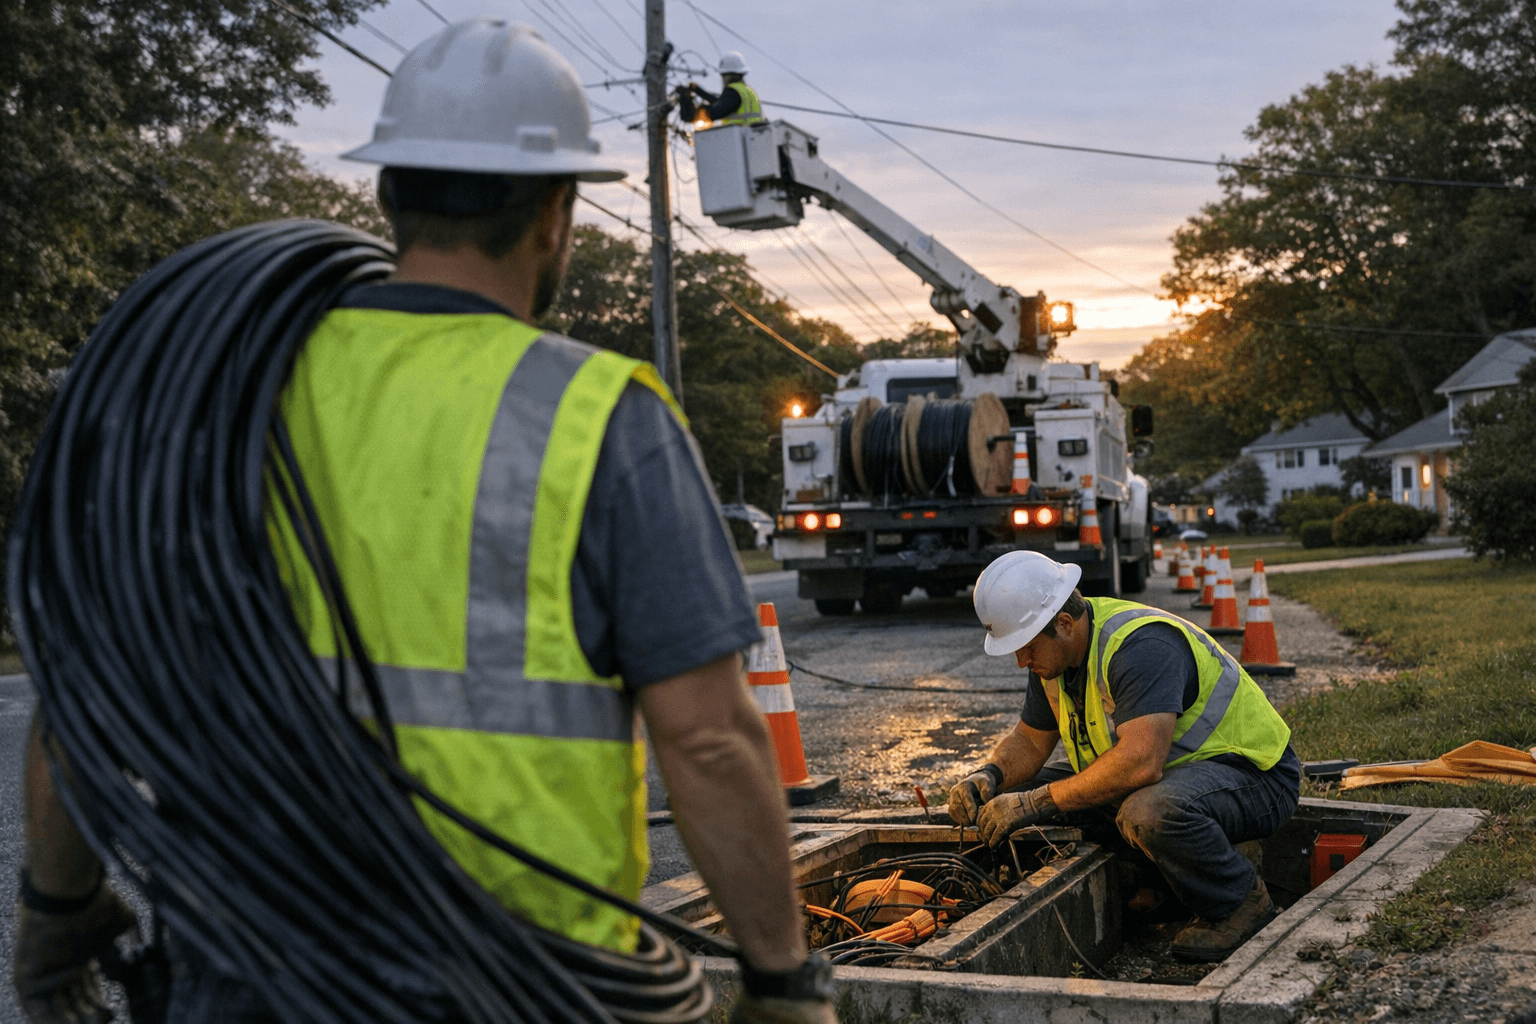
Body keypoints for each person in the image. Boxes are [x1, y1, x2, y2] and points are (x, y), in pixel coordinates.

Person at [13, 20, 834, 1024]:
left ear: (387, 194)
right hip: (523, 985)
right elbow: (708, 741)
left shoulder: (218, 401)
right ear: (555, 214)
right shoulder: (601, 417)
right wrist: (781, 979)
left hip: (244, 975)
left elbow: (80, 695)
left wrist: (54, 909)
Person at [948, 550, 1300, 962]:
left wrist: (1034, 803)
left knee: (1146, 811)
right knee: (1018, 796)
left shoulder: (1139, 646)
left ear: (1063, 623)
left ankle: (1240, 902)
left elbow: (1141, 762)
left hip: (1254, 777)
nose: (1020, 661)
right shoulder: (1053, 659)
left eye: (1024, 648)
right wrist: (990, 776)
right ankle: (1161, 884)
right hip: (1179, 778)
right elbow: (1029, 741)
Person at [680, 51, 765, 127]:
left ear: (728, 75)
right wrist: (698, 91)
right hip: (752, 138)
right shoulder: (747, 91)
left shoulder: (732, 92)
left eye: (723, 75)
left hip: (737, 139)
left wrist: (685, 99)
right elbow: (722, 104)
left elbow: (716, 112)